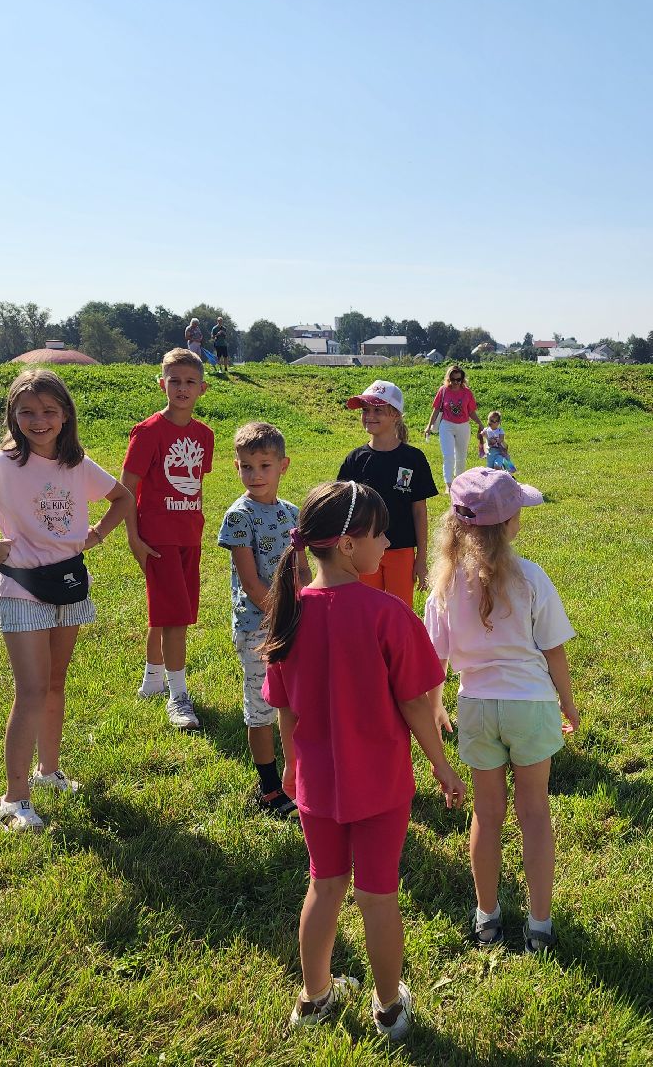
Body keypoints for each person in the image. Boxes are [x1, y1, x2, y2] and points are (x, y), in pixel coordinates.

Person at [263, 480, 465, 1042]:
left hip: (316, 784)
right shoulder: (387, 613)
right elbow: (416, 704)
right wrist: (442, 766)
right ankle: (390, 1010)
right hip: (380, 784)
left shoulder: (290, 610)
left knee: (324, 886)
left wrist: (290, 766)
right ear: (349, 544)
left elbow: (284, 707)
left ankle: (314, 998)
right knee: (378, 894)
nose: (389, 541)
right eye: (380, 533)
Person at [0, 369, 133, 831]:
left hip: (70, 583)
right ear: (13, 415)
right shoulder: (0, 465)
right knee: (31, 691)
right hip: (22, 588)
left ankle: (49, 772)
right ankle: (14, 800)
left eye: (49, 411)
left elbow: (123, 498)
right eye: (28, 412)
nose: (39, 421)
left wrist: (95, 534)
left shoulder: (77, 464)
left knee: (55, 683)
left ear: (65, 416)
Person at [425, 468, 579, 954]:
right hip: (530, 708)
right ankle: (539, 926)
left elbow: (436, 661)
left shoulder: (444, 587)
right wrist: (569, 705)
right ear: (510, 524)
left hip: (474, 708)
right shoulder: (532, 577)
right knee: (534, 813)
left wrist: (435, 707)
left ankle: (486, 918)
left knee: (486, 816)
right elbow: (554, 652)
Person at [121, 348, 215, 730]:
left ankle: (153, 681)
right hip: (157, 538)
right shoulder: (148, 432)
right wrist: (133, 536)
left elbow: (196, 485)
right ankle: (179, 697)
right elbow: (126, 487)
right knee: (175, 617)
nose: (181, 388)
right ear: (162, 384)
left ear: (202, 389)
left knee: (167, 610)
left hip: (188, 534)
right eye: (174, 380)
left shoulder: (204, 434)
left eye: (189, 382)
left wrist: (197, 526)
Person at [216, 421, 300, 818]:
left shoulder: (293, 515)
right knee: (261, 706)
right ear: (237, 467)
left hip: (292, 623)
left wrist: (307, 610)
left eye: (264, 466)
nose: (255, 476)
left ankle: (296, 776)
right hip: (258, 627)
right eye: (247, 467)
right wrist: (281, 616)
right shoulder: (238, 516)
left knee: (294, 703)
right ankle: (268, 787)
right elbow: (250, 582)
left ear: (283, 466)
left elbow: (302, 573)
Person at [337, 380, 438, 609]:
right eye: (365, 410)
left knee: (399, 612)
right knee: (366, 612)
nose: (369, 416)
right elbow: (342, 512)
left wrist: (420, 559)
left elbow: (419, 511)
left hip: (401, 551)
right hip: (363, 551)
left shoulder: (413, 459)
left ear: (395, 415)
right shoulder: (355, 460)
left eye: (377, 410)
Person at [423, 365, 480, 490]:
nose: (455, 382)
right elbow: (436, 409)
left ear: (462, 379)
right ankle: (449, 484)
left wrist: (480, 424)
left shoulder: (467, 393)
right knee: (448, 456)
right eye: (453, 379)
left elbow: (471, 412)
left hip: (463, 426)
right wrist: (429, 426)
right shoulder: (443, 390)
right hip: (447, 425)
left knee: (461, 457)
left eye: (458, 380)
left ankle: (459, 482)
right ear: (449, 378)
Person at [478, 410, 517, 474]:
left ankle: (503, 476)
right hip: (490, 453)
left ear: (498, 423)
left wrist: (497, 440)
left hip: (499, 452)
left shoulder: (500, 430)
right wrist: (482, 434)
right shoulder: (487, 430)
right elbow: (481, 435)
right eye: (489, 420)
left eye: (492, 421)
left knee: (497, 466)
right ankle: (500, 476)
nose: (490, 423)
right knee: (490, 469)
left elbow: (501, 439)